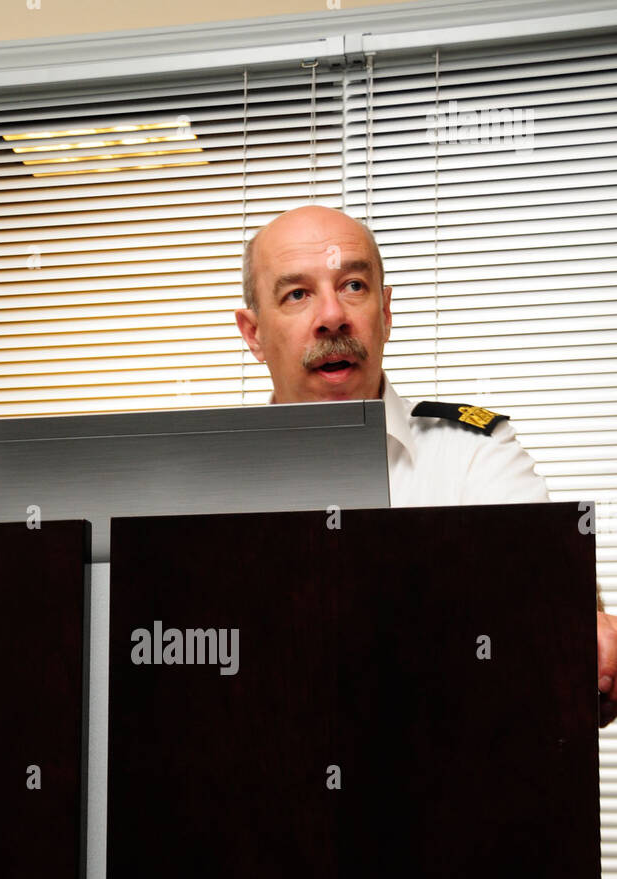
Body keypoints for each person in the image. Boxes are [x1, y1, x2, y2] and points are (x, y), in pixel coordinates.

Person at [234, 203, 617, 728]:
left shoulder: (473, 448)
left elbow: (544, 586)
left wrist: (581, 619)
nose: (332, 316)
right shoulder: (202, 478)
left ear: (386, 314)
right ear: (253, 333)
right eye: (297, 294)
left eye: (353, 286)